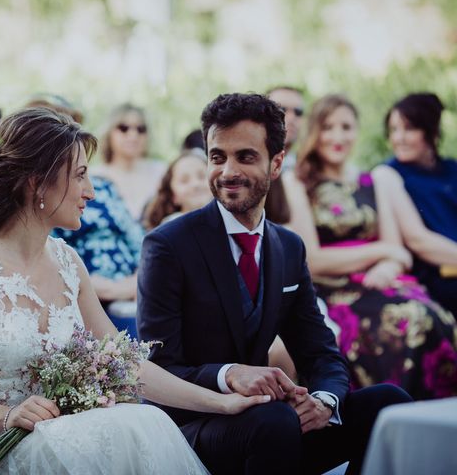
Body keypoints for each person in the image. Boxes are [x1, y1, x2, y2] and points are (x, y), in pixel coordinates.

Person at [0, 107, 271, 475]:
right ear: (37, 182)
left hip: (58, 442)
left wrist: (220, 403)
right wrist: (6, 416)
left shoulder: (67, 262)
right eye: (79, 176)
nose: (90, 192)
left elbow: (127, 365)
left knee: (141, 422)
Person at [138, 93, 412, 475]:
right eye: (217, 157)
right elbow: (159, 365)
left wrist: (323, 403)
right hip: (194, 425)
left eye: (245, 156)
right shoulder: (168, 245)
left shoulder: (288, 247)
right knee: (274, 422)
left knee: (388, 402)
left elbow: (321, 354)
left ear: (276, 163)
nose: (228, 171)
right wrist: (230, 373)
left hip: (270, 425)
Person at [283, 94, 457, 400]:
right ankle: (388, 415)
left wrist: (388, 264)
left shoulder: (374, 179)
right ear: (314, 132)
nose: (338, 136)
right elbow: (312, 259)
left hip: (382, 281)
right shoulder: (297, 182)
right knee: (408, 320)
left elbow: (397, 248)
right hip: (334, 288)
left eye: (346, 127)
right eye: (328, 127)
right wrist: (381, 253)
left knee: (438, 319)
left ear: (357, 132)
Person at [376, 92, 457, 315]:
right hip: (436, 277)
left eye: (409, 128)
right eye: (393, 130)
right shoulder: (390, 174)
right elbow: (419, 240)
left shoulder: (452, 169)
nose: (398, 138)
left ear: (431, 131)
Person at [53, 175, 144, 338]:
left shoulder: (105, 187)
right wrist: (100, 288)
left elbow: (138, 241)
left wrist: (135, 282)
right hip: (85, 292)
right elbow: (54, 260)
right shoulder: (55, 194)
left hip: (132, 288)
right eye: (80, 174)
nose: (90, 193)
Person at [90, 103, 166, 220]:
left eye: (141, 129)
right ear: (109, 133)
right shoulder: (93, 176)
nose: (133, 135)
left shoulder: (162, 172)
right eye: (123, 128)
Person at [263, 86, 305, 225]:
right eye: (281, 109)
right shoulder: (246, 165)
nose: (291, 117)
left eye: (298, 112)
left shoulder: (310, 167)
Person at [143, 149, 212, 230]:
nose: (195, 184)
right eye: (184, 180)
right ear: (173, 195)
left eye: (201, 176)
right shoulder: (170, 227)